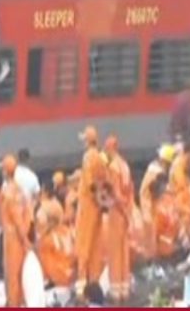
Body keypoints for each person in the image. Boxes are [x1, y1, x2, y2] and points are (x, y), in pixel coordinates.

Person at [74, 127, 106, 299]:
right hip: (97, 209)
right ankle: (93, 282)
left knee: (83, 245)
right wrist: (101, 201)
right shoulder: (100, 158)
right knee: (95, 248)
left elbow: (90, 183)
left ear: (87, 141)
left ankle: (81, 288)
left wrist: (94, 197)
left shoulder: (88, 157)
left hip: (87, 207)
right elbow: (103, 182)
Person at [104, 136, 134, 302]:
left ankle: (116, 291)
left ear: (110, 148)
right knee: (124, 251)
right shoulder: (125, 166)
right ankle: (125, 288)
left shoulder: (113, 167)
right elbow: (129, 190)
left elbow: (115, 193)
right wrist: (128, 211)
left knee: (115, 251)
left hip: (117, 213)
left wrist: (121, 209)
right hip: (125, 212)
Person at [0, 154, 32, 307]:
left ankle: (14, 304)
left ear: (6, 171)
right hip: (20, 236)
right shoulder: (20, 190)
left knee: (12, 275)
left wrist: (23, 239)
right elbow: (27, 214)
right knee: (21, 274)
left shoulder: (9, 192)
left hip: (13, 239)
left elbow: (16, 217)